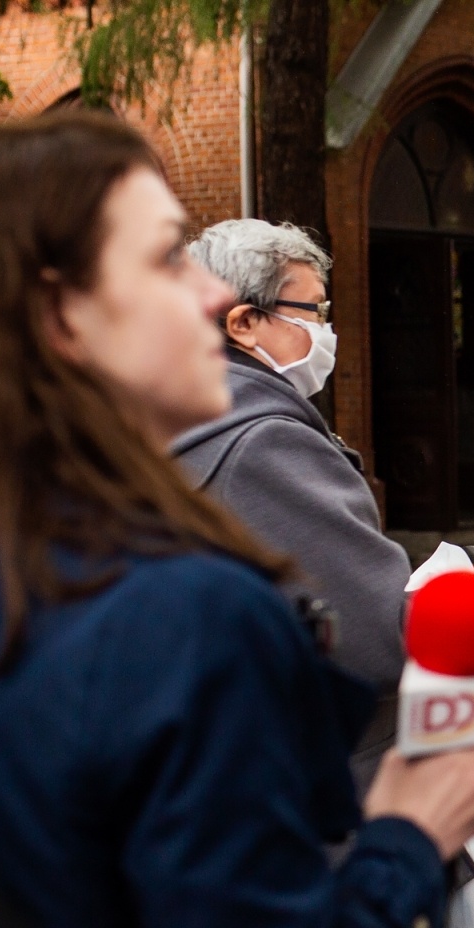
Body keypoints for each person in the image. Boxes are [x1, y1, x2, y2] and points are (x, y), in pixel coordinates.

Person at [0, 112, 474, 928]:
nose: (205, 298)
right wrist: (407, 836)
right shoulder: (192, 615)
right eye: (163, 261)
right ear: (59, 313)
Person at [178, 218, 411, 763]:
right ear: (244, 323)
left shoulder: (190, 412)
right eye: (316, 312)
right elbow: (373, 634)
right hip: (319, 763)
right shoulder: (264, 443)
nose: (328, 332)